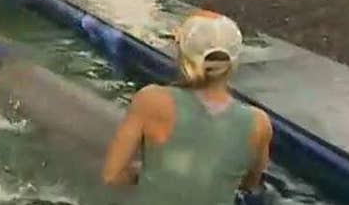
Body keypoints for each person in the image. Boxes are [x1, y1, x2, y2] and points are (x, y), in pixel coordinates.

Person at [102, 11, 273, 204]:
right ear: (233, 61)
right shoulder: (259, 123)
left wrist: (149, 171)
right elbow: (250, 184)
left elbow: (112, 175)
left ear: (182, 55)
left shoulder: (151, 101)